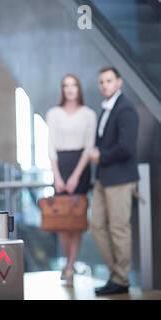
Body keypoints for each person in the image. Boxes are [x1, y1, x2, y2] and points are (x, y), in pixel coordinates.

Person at [89, 67, 139, 295]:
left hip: (119, 179)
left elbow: (127, 148)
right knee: (96, 224)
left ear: (119, 82)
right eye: (101, 82)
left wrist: (101, 156)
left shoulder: (126, 109)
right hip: (103, 178)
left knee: (119, 229)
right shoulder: (108, 108)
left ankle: (120, 279)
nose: (104, 85)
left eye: (109, 81)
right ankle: (116, 274)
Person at [46, 74, 97, 286]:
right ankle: (69, 262)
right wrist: (57, 176)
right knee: (60, 222)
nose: (70, 89)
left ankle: (70, 265)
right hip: (60, 166)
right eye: (66, 86)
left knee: (75, 221)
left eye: (73, 85)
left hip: (80, 168)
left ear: (79, 88)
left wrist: (76, 176)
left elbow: (89, 147)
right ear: (62, 89)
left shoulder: (88, 114)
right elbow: (50, 146)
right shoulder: (54, 113)